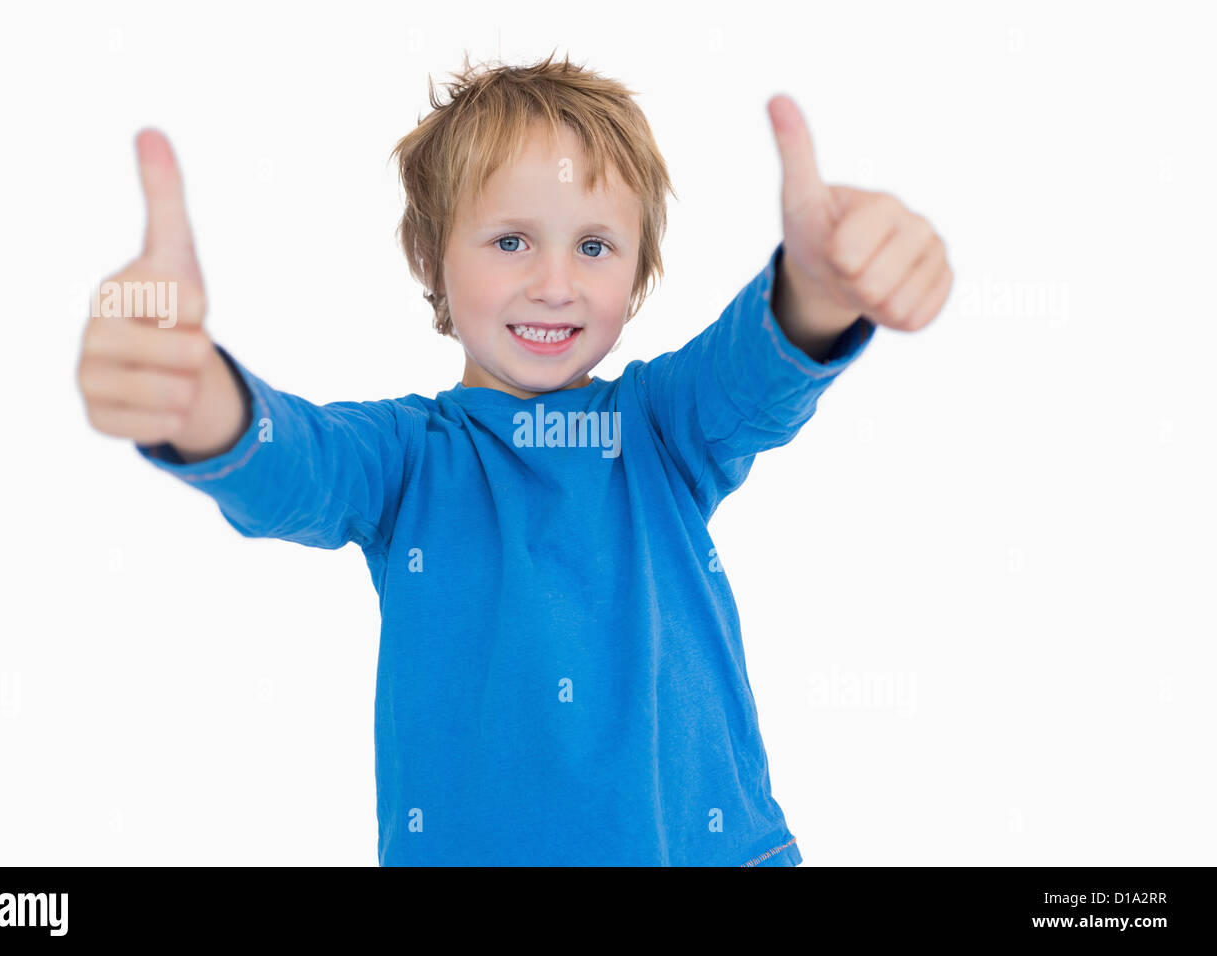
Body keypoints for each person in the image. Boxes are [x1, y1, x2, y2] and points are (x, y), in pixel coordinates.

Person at [76, 51, 952, 866]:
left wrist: (819, 286)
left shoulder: (661, 426)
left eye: (595, 246)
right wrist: (200, 402)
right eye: (510, 241)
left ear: (640, 269)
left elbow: (755, 368)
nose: (556, 284)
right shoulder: (404, 458)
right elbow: (296, 463)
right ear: (429, 255)